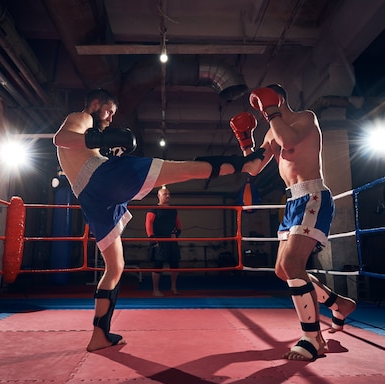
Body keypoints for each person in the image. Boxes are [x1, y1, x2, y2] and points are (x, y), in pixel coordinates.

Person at [53, 88, 264, 352]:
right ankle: (244, 165)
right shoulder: (81, 117)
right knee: (183, 169)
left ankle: (99, 335)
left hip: (91, 197)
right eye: (108, 111)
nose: (109, 117)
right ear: (95, 103)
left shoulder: (89, 137)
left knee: (115, 267)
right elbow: (60, 138)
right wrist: (100, 137)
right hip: (101, 178)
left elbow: (76, 147)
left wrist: (103, 144)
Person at [231, 84, 356, 361]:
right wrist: (245, 141)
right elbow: (252, 168)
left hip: (313, 195)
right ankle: (339, 304)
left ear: (278, 99)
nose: (261, 109)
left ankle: (313, 339)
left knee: (291, 265)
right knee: (282, 270)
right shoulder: (270, 131)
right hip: (292, 202)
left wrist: (272, 111)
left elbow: (289, 143)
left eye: (263, 103)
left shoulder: (305, 118)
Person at [146, 186, 181, 297]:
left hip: (171, 240)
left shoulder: (173, 210)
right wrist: (152, 238)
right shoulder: (153, 209)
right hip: (159, 240)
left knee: (175, 264)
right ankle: (155, 290)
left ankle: (174, 287)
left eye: (168, 194)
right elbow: (148, 224)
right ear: (159, 196)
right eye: (165, 194)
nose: (167, 196)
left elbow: (179, 224)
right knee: (158, 264)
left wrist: (176, 234)